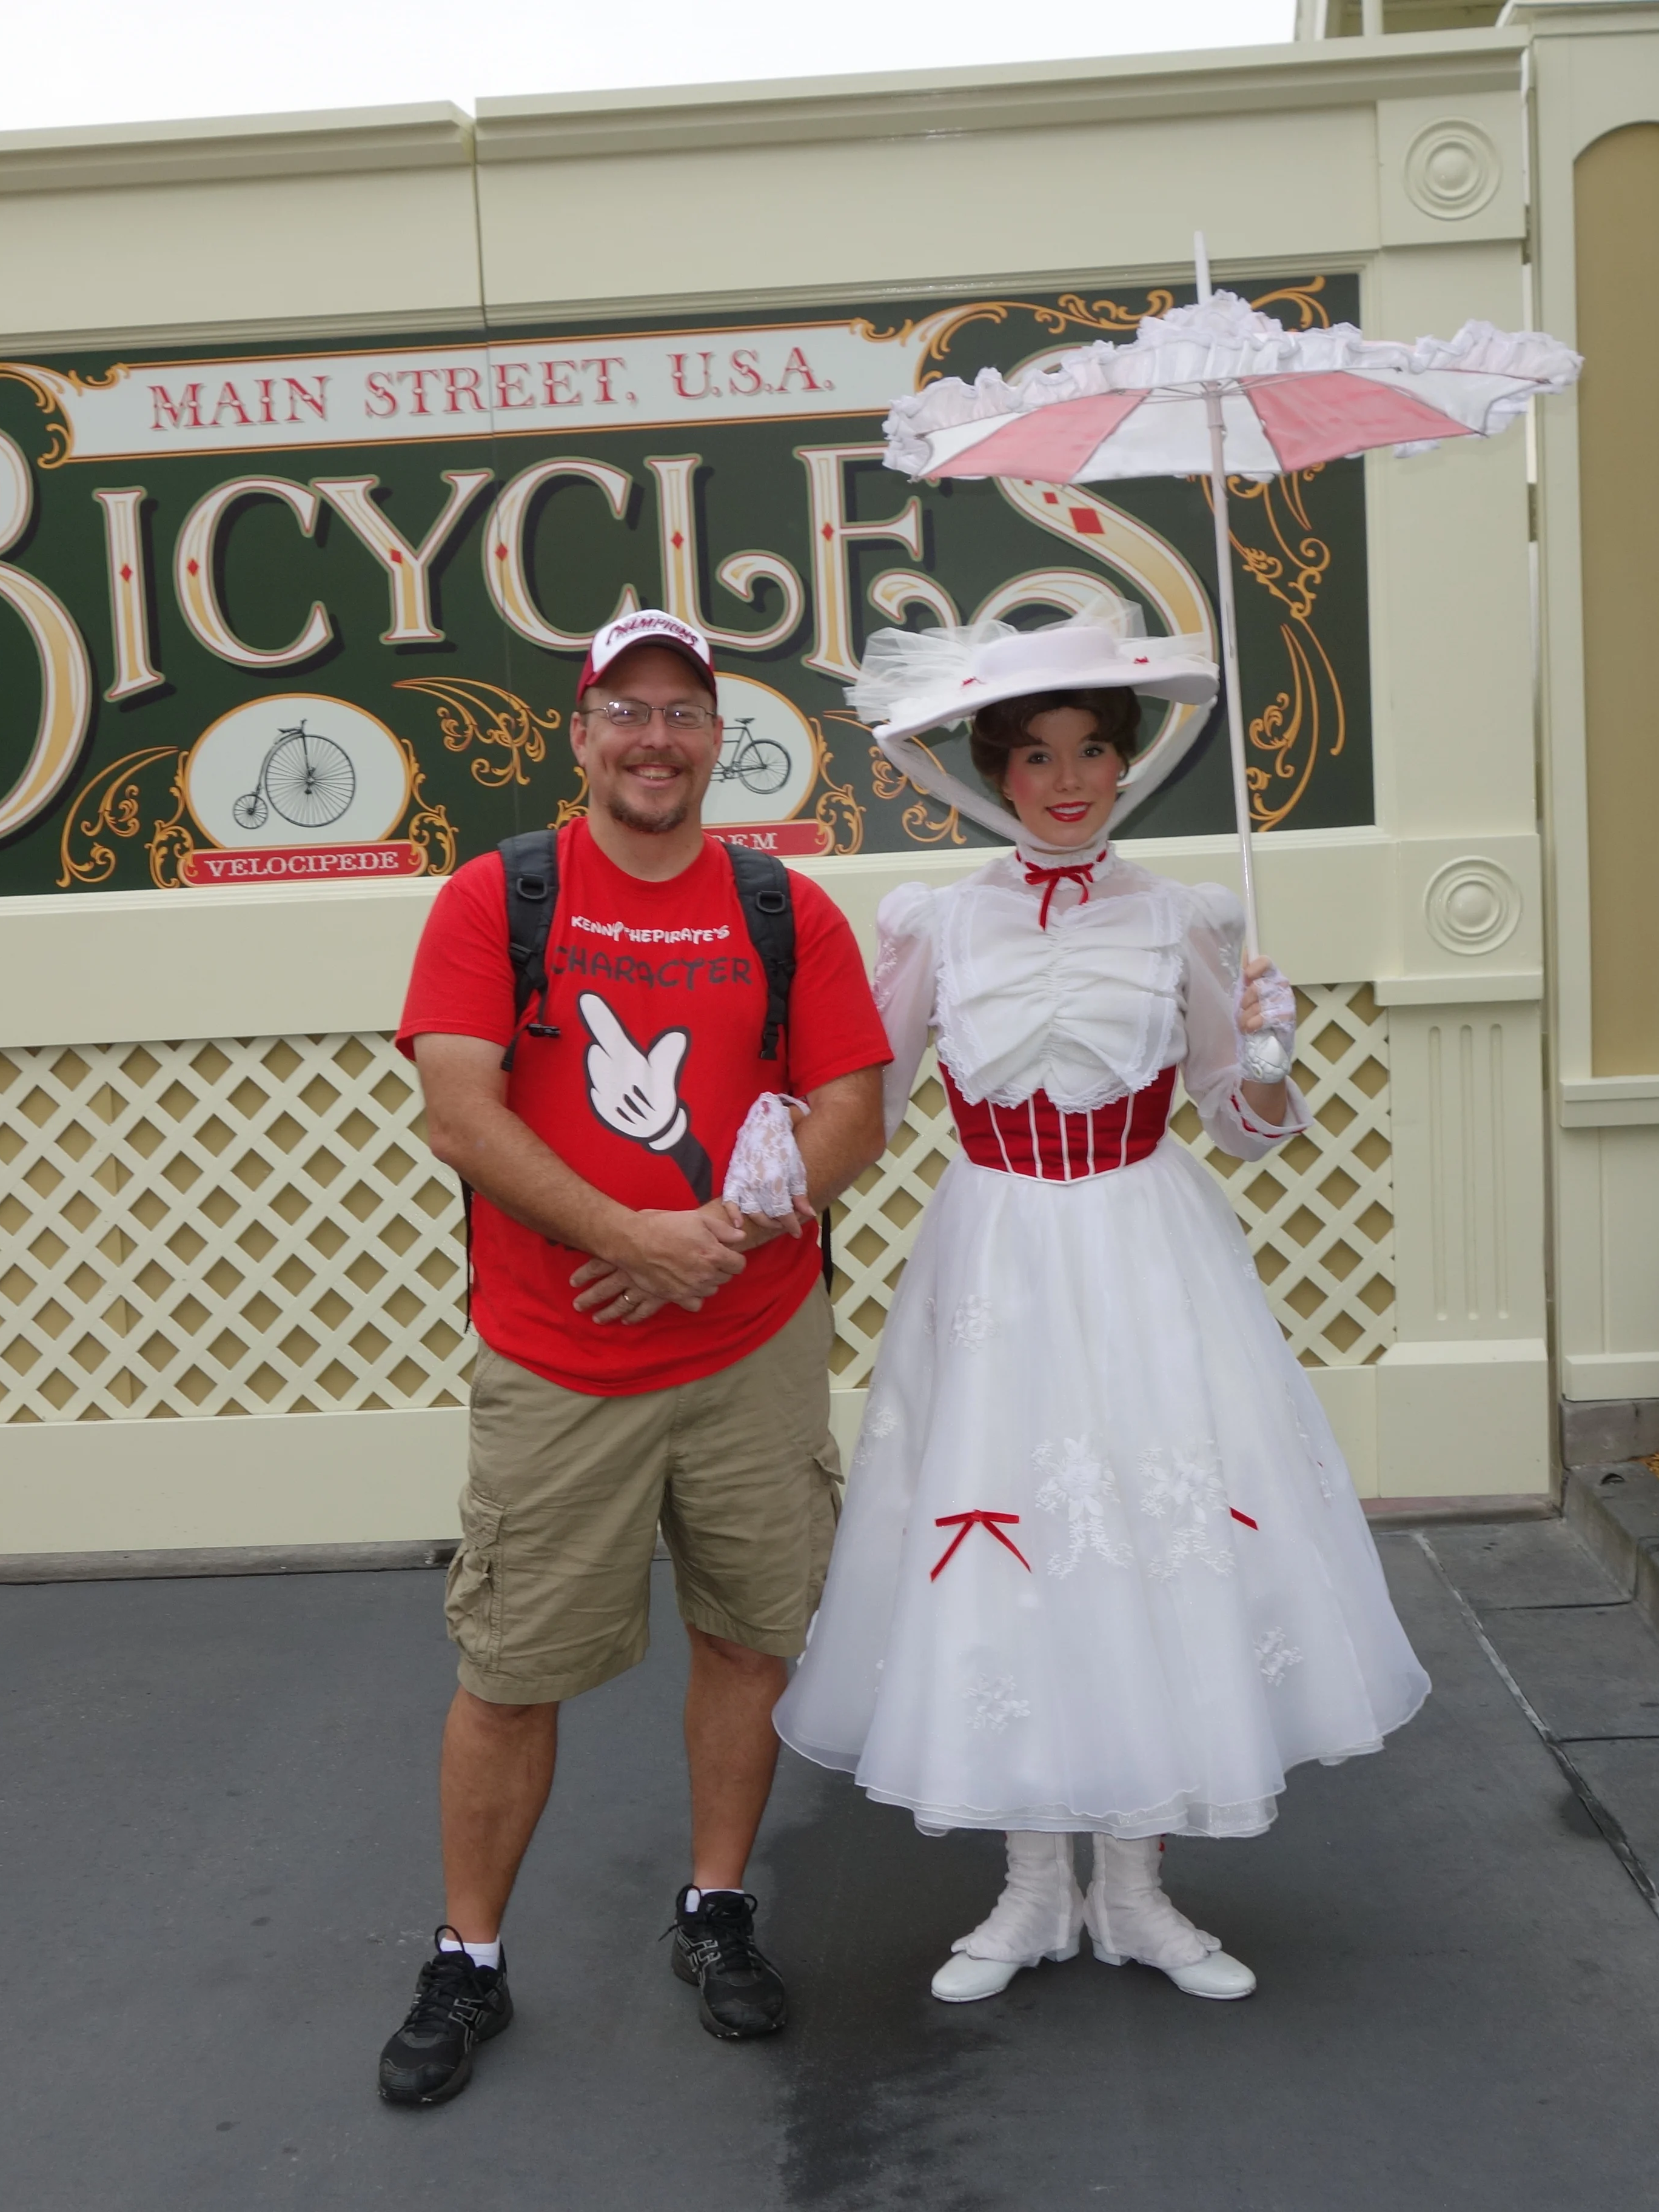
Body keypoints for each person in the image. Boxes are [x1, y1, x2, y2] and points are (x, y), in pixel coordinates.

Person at [774, 614, 1430, 2004]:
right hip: (999, 1260)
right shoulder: (933, 924)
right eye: (1036, 756)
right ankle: (1027, 1893)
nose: (1069, 781)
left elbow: (1243, 1125)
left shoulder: (1185, 915)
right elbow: (869, 1106)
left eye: (1092, 752)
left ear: (1124, 764)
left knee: (1145, 1532)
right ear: (995, 773)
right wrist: (765, 1160)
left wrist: (1262, 1055)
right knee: (1011, 1535)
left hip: (1143, 1248)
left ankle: (1135, 1894)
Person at [381, 608, 892, 2106]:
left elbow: (852, 1112)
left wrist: (705, 1243)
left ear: (715, 735)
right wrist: (627, 1235)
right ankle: (468, 1956)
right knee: (511, 1670)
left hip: (752, 1346)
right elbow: (461, 1114)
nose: (656, 736)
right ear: (582, 730)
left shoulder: (786, 910)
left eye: (684, 710)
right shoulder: (501, 898)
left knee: (749, 1636)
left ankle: (717, 1904)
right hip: (557, 1363)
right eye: (629, 708)